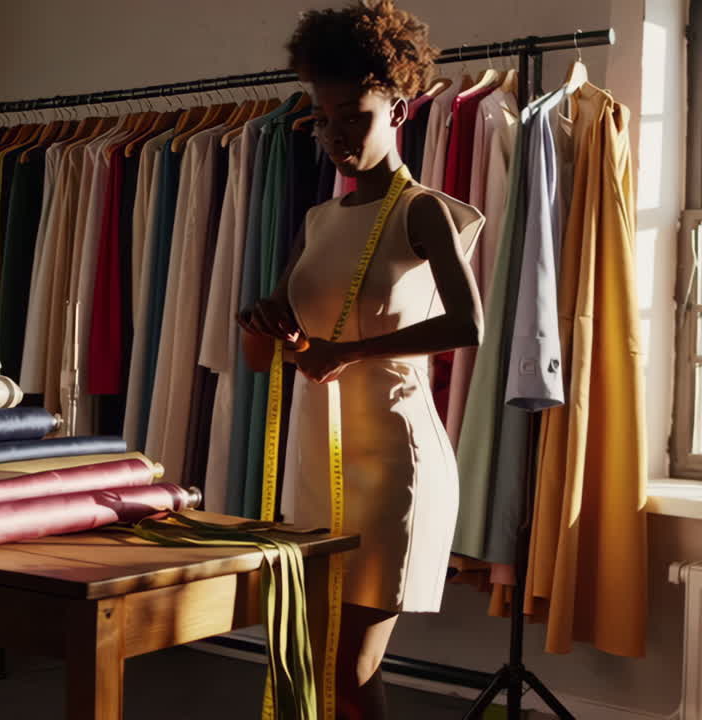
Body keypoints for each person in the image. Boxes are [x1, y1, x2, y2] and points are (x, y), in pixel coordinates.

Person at [241, 2, 485, 716]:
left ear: (398, 110)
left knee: (348, 669)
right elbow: (268, 359)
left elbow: (468, 324)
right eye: (323, 119)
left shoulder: (424, 211)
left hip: (395, 466)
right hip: (319, 456)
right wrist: (264, 325)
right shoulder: (318, 222)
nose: (337, 135)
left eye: (354, 115)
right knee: (315, 663)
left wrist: (348, 352)